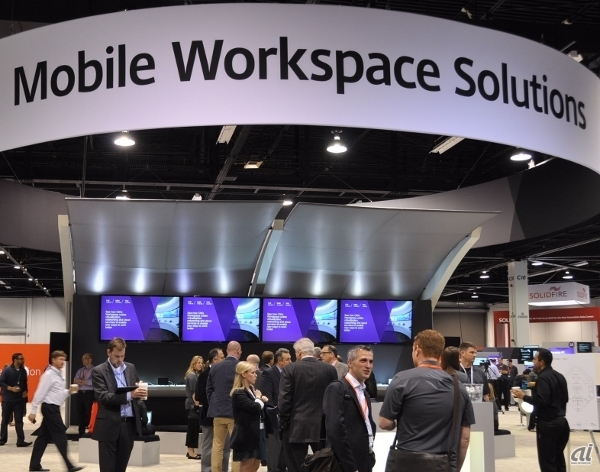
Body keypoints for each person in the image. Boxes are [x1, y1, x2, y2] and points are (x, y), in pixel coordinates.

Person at [379, 329, 474, 472]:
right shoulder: (458, 388)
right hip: (441, 464)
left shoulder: (402, 379)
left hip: (405, 462)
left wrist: (396, 423)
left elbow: (384, 423)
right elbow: (464, 438)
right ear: (440, 354)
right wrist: (454, 468)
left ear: (417, 349)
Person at [279, 337, 337, 472]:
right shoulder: (329, 369)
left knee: (295, 468)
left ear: (299, 352)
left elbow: (284, 400)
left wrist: (284, 424)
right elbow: (334, 399)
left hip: (295, 427)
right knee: (323, 467)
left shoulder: (290, 369)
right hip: (322, 428)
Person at [91, 337, 147, 472]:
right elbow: (103, 397)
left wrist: (140, 390)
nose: (120, 359)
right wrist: (130, 395)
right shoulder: (98, 371)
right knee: (108, 469)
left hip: (128, 426)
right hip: (109, 425)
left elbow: (136, 388)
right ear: (108, 352)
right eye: (117, 356)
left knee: (121, 468)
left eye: (122, 356)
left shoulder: (131, 368)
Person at [512, 348, 570, 472]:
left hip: (548, 425)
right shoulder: (560, 376)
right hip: (562, 423)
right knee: (559, 460)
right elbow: (565, 399)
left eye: (535, 359)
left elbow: (542, 401)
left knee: (547, 462)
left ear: (542, 362)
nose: (533, 362)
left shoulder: (542, 378)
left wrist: (523, 396)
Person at [27, 350, 84, 472]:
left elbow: (57, 392)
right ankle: (69, 465)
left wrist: (69, 391)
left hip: (53, 408)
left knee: (43, 438)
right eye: (60, 359)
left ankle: (34, 465)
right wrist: (33, 411)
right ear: (53, 360)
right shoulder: (48, 375)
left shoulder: (58, 374)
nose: (62, 362)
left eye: (63, 359)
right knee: (61, 435)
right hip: (50, 408)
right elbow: (40, 393)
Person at [323, 345, 376, 472]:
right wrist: (351, 467)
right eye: (363, 360)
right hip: (345, 464)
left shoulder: (364, 393)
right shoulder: (337, 389)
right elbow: (336, 430)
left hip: (364, 459)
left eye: (371, 361)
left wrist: (370, 456)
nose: (368, 365)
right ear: (350, 363)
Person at [207, 341, 243, 472]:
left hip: (218, 412)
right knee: (237, 446)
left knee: (217, 445)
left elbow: (209, 390)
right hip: (235, 413)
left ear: (227, 351)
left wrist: (215, 404)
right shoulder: (241, 367)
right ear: (238, 351)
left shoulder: (215, 367)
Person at [230, 361, 269, 472]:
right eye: (252, 373)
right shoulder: (238, 393)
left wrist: (260, 400)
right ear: (243, 374)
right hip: (246, 434)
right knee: (247, 465)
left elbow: (258, 407)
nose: (256, 375)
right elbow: (255, 407)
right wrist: (259, 398)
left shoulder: (252, 390)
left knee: (256, 464)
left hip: (258, 431)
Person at [196, 348, 229, 472]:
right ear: (215, 359)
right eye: (222, 357)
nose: (224, 359)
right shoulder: (205, 375)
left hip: (224, 416)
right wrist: (215, 407)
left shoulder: (222, 374)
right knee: (209, 446)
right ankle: (207, 470)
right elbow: (201, 396)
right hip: (209, 417)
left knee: (225, 447)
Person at [261, 348, 291, 472]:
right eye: (288, 359)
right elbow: (267, 395)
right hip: (275, 416)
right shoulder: (268, 373)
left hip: (287, 415)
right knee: (274, 447)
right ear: (280, 361)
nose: (290, 361)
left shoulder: (290, 373)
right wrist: (276, 412)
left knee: (284, 446)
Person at [0, 352, 30, 447]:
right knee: (5, 420)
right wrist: (10, 388)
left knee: (19, 421)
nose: (23, 360)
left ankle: (20, 441)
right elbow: (1, 382)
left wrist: (25, 391)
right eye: (21, 359)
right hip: (8, 399)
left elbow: (25, 383)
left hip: (19, 400)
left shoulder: (23, 371)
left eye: (23, 358)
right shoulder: (7, 370)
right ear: (15, 360)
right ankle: (2, 439)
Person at [185, 355, 204, 459]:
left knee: (194, 428)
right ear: (193, 364)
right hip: (193, 405)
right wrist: (197, 404)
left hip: (192, 404)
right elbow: (194, 392)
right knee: (192, 429)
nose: (200, 365)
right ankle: (191, 452)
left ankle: (191, 451)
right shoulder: (192, 376)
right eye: (198, 363)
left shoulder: (194, 375)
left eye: (201, 363)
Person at [72, 353, 95, 438]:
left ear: (90, 359)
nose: (83, 360)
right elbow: (75, 380)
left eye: (85, 358)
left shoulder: (95, 370)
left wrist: (83, 381)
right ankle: (81, 433)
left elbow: (94, 382)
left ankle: (91, 432)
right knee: (80, 413)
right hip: (80, 394)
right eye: (83, 359)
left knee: (89, 413)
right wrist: (84, 381)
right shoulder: (80, 370)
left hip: (89, 394)